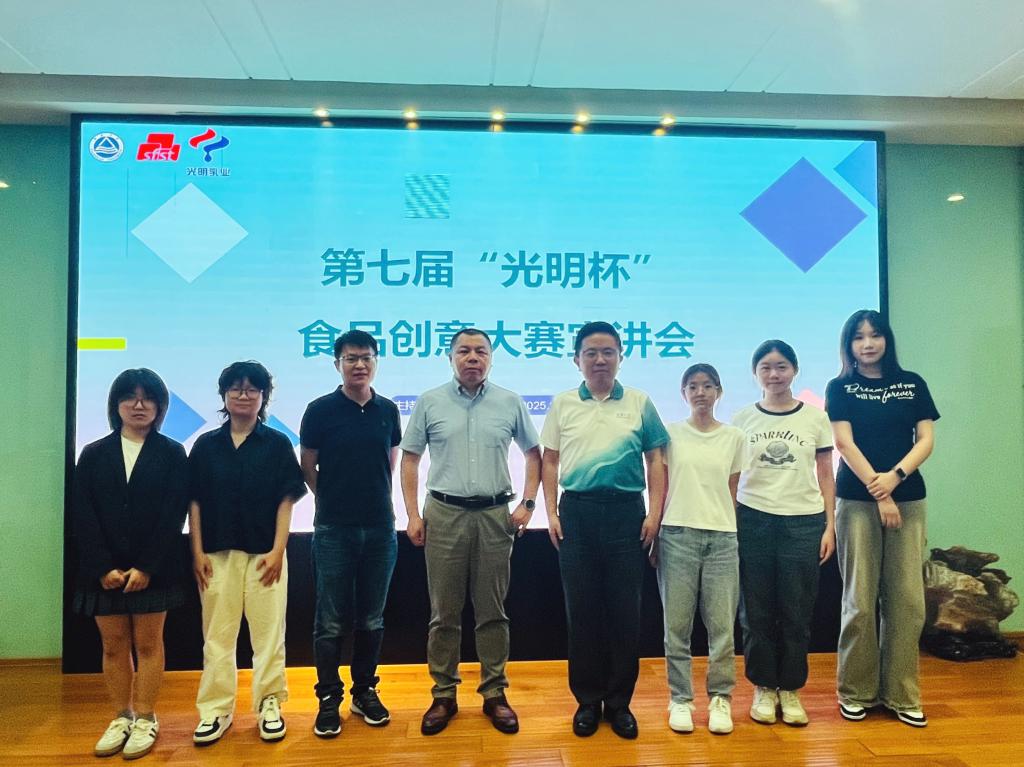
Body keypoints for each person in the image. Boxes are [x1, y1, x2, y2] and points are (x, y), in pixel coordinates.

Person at [401, 328, 541, 736]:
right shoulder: (430, 401)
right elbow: (409, 460)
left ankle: (494, 693)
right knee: (443, 612)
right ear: (451, 358)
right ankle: (443, 694)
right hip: (443, 514)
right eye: (464, 351)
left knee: (492, 611)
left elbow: (534, 454)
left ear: (491, 358)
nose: (472, 357)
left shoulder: (510, 402)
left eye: (481, 351)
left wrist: (528, 503)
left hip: (495, 516)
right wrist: (412, 514)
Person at [541, 321, 669, 740]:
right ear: (576, 359)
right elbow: (550, 460)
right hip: (576, 512)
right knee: (582, 612)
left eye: (608, 352)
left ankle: (618, 703)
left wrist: (654, 514)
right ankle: (586, 701)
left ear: (620, 357)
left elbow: (656, 459)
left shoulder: (639, 401)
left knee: (624, 612)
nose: (600, 360)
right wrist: (551, 511)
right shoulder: (563, 404)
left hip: (626, 514)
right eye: (591, 352)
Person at [826, 310, 938, 727]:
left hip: (908, 498)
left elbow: (925, 439)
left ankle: (902, 695)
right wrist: (880, 490)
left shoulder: (912, 383)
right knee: (859, 599)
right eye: (859, 337)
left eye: (875, 335)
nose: (868, 344)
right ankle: (856, 691)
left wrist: (895, 478)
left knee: (907, 601)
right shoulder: (840, 387)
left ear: (886, 339)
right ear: (849, 345)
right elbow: (843, 443)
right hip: (856, 499)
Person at [71, 368, 188, 760]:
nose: (139, 405)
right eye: (130, 397)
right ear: (116, 404)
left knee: (149, 644)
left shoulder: (172, 453)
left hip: (153, 570)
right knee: (113, 645)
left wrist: (147, 567)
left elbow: (173, 515)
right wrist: (102, 566)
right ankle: (121, 716)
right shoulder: (93, 453)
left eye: (148, 398)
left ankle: (146, 717)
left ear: (160, 406)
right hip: (102, 571)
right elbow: (82, 513)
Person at [188, 361, 307, 744]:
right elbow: (194, 502)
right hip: (215, 554)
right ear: (224, 395)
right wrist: (197, 552)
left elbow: (287, 499)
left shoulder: (276, 444)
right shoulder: (206, 445)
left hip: (265, 555)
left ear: (263, 397)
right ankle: (216, 710)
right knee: (217, 636)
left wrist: (278, 550)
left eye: (252, 389)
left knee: (269, 635)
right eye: (236, 388)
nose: (243, 395)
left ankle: (269, 704)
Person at [300, 330, 402, 737]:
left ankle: (364, 692)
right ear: (337, 363)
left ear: (376, 361)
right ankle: (328, 699)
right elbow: (308, 465)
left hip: (380, 527)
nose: (359, 364)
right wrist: (331, 498)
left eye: (366, 357)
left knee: (372, 618)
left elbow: (389, 462)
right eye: (351, 358)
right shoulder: (320, 410)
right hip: (333, 529)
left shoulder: (387, 410)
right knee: (330, 620)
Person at [732, 340, 836, 727]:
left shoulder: (815, 418)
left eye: (781, 367)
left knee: (796, 611)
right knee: (756, 612)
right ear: (755, 373)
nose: (774, 374)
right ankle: (763, 686)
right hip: (753, 519)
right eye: (766, 367)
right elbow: (733, 476)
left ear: (794, 370)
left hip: (803, 522)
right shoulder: (743, 418)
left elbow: (826, 474)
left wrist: (830, 525)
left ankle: (790, 689)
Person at [656, 363, 746, 736]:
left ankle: (720, 698)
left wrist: (729, 527)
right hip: (677, 534)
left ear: (719, 392)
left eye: (708, 385)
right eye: (692, 386)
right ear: (684, 393)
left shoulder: (735, 437)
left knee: (722, 627)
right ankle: (680, 699)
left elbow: (732, 489)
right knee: (676, 626)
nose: (700, 392)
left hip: (722, 538)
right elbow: (661, 486)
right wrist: (655, 531)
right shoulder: (670, 435)